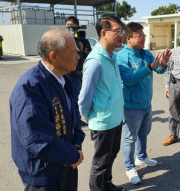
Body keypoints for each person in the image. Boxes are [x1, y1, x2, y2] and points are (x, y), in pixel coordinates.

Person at [10, 29, 85, 191]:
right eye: (73, 52)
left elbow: (74, 119)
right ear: (53, 56)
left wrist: (77, 145)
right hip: (44, 173)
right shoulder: (31, 86)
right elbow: (37, 138)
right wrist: (73, 155)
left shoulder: (65, 80)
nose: (78, 57)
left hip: (67, 164)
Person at [117, 22, 171, 185]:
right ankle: (129, 166)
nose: (143, 39)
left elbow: (158, 70)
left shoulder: (145, 53)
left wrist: (163, 64)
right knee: (130, 137)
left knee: (143, 133)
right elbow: (129, 79)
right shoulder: (121, 57)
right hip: (131, 106)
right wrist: (149, 67)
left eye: (144, 36)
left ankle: (141, 157)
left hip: (146, 104)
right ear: (129, 38)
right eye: (139, 36)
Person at [78, 15, 125, 191]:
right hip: (103, 121)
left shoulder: (112, 56)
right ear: (104, 33)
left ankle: (107, 184)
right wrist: (89, 117)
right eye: (117, 31)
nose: (121, 34)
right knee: (100, 162)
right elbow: (85, 96)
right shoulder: (95, 61)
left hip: (115, 118)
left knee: (111, 155)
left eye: (122, 31)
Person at [65, 16, 90, 109]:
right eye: (67, 25)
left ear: (77, 26)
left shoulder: (83, 41)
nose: (69, 27)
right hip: (63, 75)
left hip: (76, 76)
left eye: (72, 25)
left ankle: (77, 119)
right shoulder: (63, 40)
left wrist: (81, 50)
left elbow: (88, 56)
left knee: (76, 100)